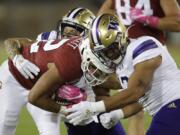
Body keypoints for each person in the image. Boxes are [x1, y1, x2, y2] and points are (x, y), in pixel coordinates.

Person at [2, 8, 126, 135]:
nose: (66, 35)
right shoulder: (56, 43)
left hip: (53, 91)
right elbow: (15, 43)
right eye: (65, 28)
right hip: (31, 85)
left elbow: (107, 86)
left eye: (73, 32)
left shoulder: (95, 51)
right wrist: (18, 58)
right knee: (5, 124)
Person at [65, 14, 180, 135]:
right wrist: (117, 114)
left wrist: (93, 108)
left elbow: (136, 91)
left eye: (111, 48)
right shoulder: (121, 65)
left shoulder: (143, 46)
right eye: (104, 52)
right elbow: (141, 102)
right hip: (166, 109)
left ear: (121, 37)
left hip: (174, 104)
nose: (109, 55)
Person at [97, 1, 180, 134]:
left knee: (142, 96)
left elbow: (177, 22)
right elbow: (101, 16)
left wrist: (149, 20)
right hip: (122, 53)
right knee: (138, 104)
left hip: (148, 51)